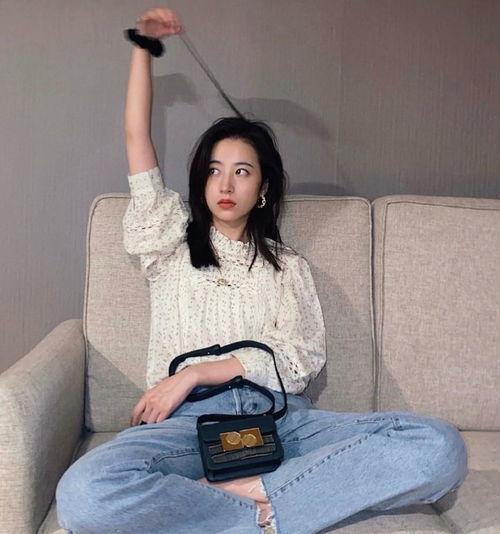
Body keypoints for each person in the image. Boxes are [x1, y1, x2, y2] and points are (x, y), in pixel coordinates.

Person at [55, 7, 468, 534]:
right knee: (85, 495)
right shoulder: (169, 243)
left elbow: (301, 361)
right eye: (214, 171)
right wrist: (143, 47)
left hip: (281, 420)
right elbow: (137, 138)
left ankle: (255, 496)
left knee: (438, 446)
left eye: (242, 171)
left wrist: (199, 371)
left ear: (263, 187)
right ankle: (276, 507)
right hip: (186, 425)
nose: (225, 184)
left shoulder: (288, 267)